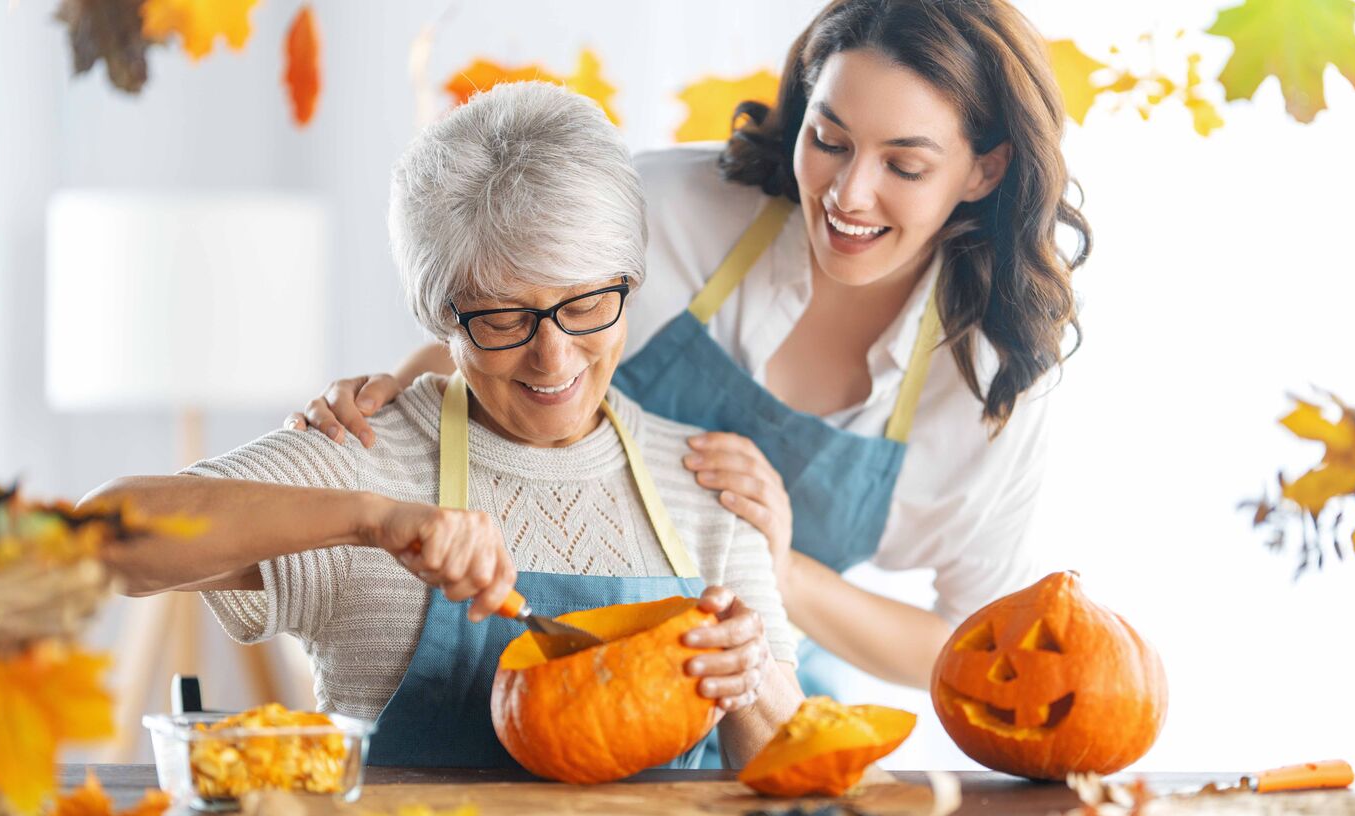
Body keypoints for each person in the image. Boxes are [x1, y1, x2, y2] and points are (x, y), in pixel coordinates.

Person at [290, 0, 1091, 697]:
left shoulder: (988, 379)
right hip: (501, 630)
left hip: (749, 677)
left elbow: (967, 646)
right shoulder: (673, 209)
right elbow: (506, 322)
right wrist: (377, 410)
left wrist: (777, 569)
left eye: (904, 165)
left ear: (985, 170)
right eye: (830, 139)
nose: (847, 194)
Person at [83, 81, 802, 770]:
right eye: (503, 316)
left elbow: (786, 756)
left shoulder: (710, 481)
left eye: (584, 304)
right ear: (440, 318)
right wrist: (370, 520)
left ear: (629, 284)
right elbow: (98, 539)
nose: (553, 355)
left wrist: (751, 673)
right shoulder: (365, 455)